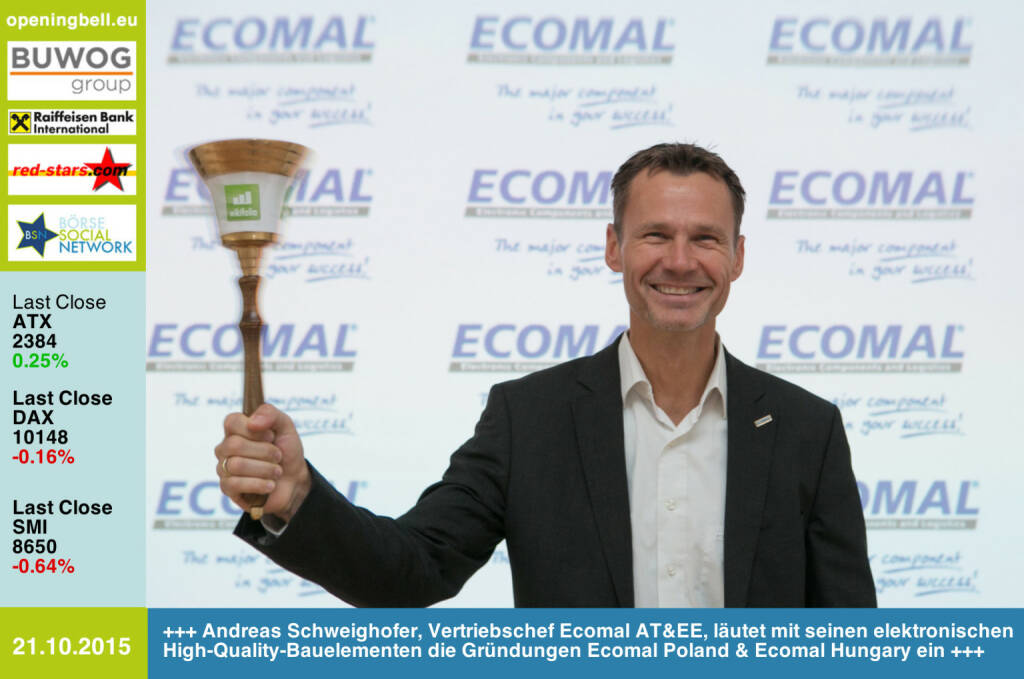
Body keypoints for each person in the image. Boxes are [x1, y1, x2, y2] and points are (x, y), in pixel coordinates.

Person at [215, 143, 876, 607]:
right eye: (655, 235)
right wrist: (296, 496)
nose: (680, 261)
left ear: (737, 256)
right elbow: (411, 570)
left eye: (705, 238)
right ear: (614, 247)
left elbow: (850, 639)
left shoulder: (807, 429)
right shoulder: (528, 418)